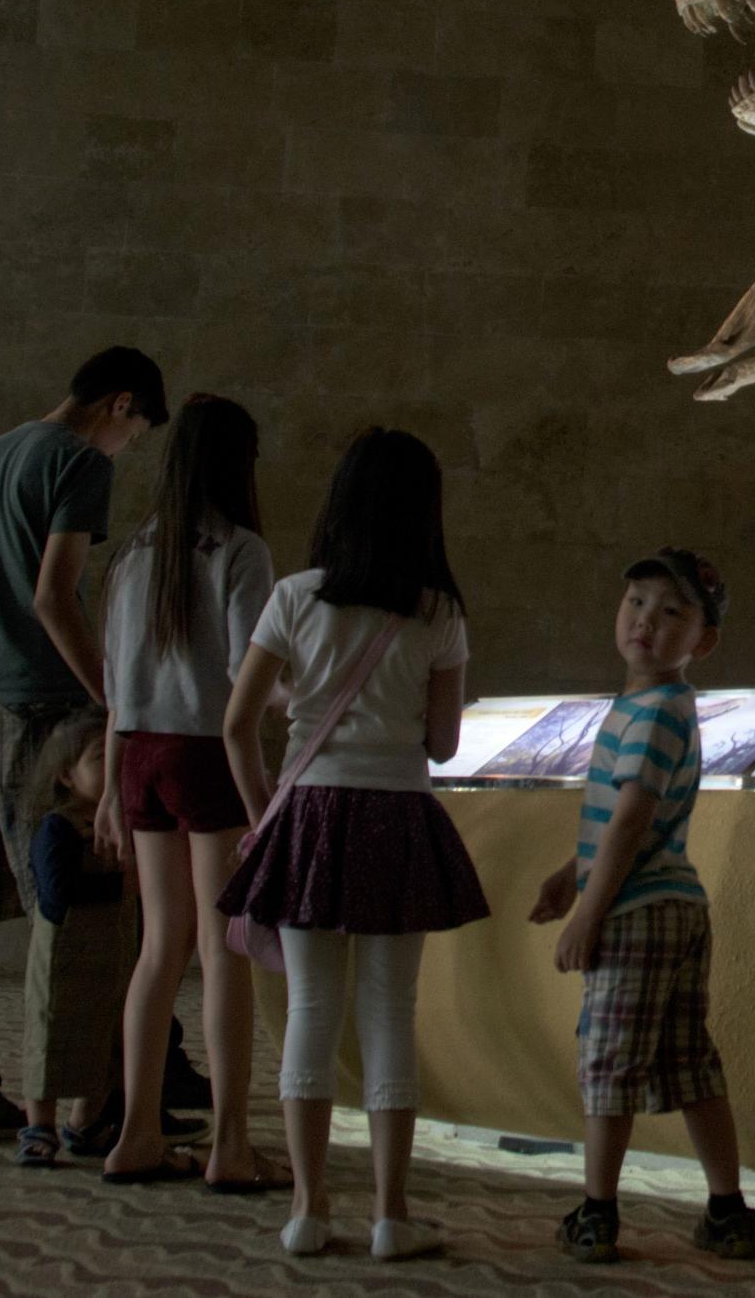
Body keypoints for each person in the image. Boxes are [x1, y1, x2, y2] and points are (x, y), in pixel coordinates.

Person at [217, 427, 488, 1261]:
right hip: (397, 814)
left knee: (309, 1010)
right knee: (388, 1016)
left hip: (309, 814)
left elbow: (237, 725)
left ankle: (308, 1206)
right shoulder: (439, 610)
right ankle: (390, 1213)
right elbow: (442, 742)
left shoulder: (295, 595)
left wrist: (266, 813)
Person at [0, 346, 167, 1149]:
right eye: (134, 432)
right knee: (72, 906)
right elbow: (54, 592)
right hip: (49, 713)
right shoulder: (75, 461)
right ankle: (81, 1102)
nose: (126, 448)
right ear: (120, 404)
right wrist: (110, 694)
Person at [530, 547, 755, 1264]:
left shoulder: (657, 708)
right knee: (688, 1062)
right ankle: (728, 1211)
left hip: (637, 911)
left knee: (608, 1063)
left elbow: (632, 819)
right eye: (636, 601)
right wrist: (573, 872)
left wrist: (589, 912)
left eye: (672, 611)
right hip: (673, 904)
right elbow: (626, 820)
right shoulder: (647, 705)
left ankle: (597, 1212)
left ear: (703, 641)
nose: (646, 621)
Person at [96, 395, 284, 1190]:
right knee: (222, 948)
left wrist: (109, 786)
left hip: (138, 752)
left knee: (158, 946)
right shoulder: (239, 549)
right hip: (208, 754)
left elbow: (116, 683)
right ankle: (231, 1145)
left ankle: (136, 1131)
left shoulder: (134, 551)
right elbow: (251, 676)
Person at [19, 716, 138, 1165]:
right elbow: (58, 891)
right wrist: (121, 889)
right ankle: (39, 1125)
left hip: (112, 950)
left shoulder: (121, 823)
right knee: (51, 1036)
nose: (113, 770)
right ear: (66, 775)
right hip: (63, 954)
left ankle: (84, 1122)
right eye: (98, 760)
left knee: (106, 1038)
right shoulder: (58, 827)